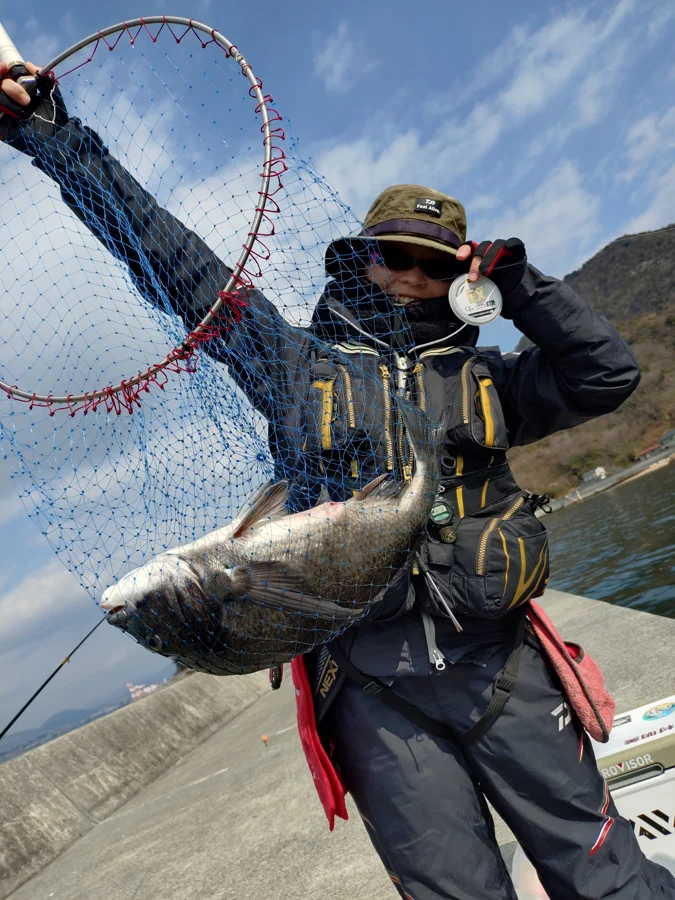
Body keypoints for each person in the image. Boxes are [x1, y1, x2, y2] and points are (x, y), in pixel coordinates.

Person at [2, 63, 673, 900]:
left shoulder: (494, 378)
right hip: (368, 689)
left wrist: (523, 286)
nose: (410, 276)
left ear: (463, 280)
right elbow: (180, 269)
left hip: (498, 664)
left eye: (433, 264)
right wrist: (55, 137)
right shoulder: (291, 367)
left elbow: (607, 375)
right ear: (361, 262)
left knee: (606, 872)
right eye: (393, 257)